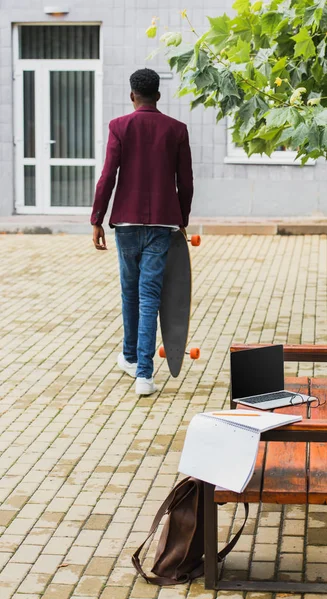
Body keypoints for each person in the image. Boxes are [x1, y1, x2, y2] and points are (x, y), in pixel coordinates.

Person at [91, 68, 193, 395]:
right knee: (150, 296)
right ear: (158, 96)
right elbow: (186, 183)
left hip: (125, 223)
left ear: (132, 95)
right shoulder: (177, 130)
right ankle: (142, 373)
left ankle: (132, 358)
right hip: (163, 224)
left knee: (130, 293)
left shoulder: (119, 127)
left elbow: (107, 177)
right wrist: (182, 218)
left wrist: (97, 218)